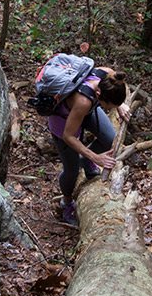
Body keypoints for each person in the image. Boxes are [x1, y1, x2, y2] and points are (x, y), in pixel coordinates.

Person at [49, 66, 130, 226]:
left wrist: (120, 105)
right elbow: (68, 136)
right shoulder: (83, 101)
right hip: (63, 121)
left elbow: (113, 75)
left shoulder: (106, 75)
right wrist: (95, 157)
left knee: (109, 139)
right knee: (72, 170)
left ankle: (86, 163)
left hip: (88, 110)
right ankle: (66, 203)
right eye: (109, 107)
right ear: (99, 95)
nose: (110, 110)